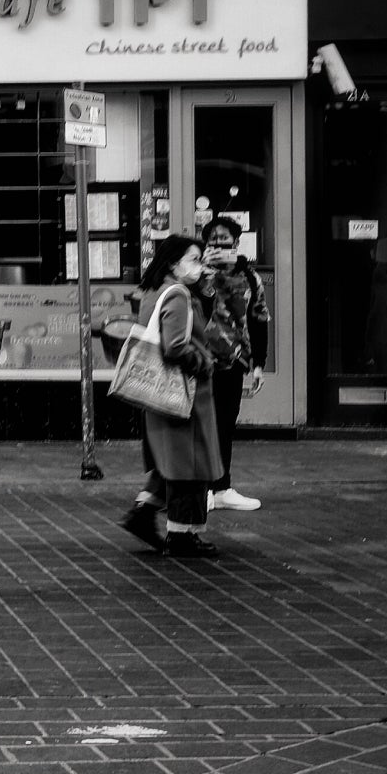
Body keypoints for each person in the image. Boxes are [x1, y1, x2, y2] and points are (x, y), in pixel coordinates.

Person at [120, 234, 225, 559]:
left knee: (173, 463)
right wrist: (203, 362)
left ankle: (143, 512)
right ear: (173, 263)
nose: (200, 266)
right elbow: (175, 345)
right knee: (188, 468)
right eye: (194, 260)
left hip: (160, 393)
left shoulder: (156, 290)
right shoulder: (178, 295)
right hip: (183, 395)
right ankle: (181, 536)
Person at [197, 216, 270, 513]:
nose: (218, 246)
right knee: (201, 425)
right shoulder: (197, 275)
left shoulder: (251, 278)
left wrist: (258, 364)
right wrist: (204, 274)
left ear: (237, 244)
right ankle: (200, 489)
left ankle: (222, 487)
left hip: (233, 361)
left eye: (224, 241)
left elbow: (259, 319)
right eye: (212, 241)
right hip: (199, 361)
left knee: (225, 425)